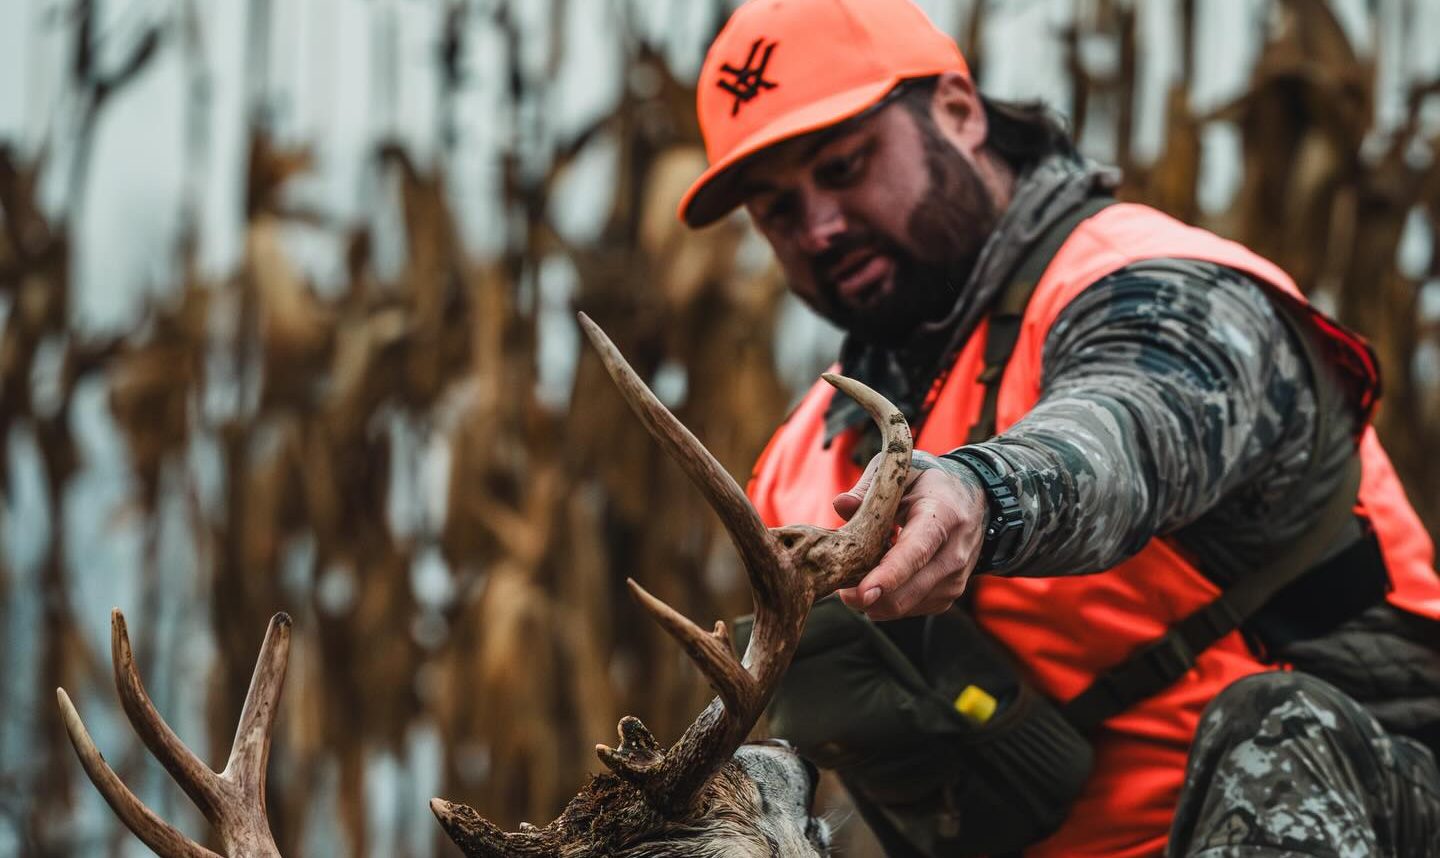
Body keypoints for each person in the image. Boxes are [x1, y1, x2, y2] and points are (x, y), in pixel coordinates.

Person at [677, 0, 1440, 856]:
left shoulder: (1156, 286)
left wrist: (981, 491)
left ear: (959, 112)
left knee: (1280, 732)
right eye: (777, 211)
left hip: (1374, 800)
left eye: (846, 166)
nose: (818, 226)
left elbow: (1135, 422)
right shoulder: (797, 470)